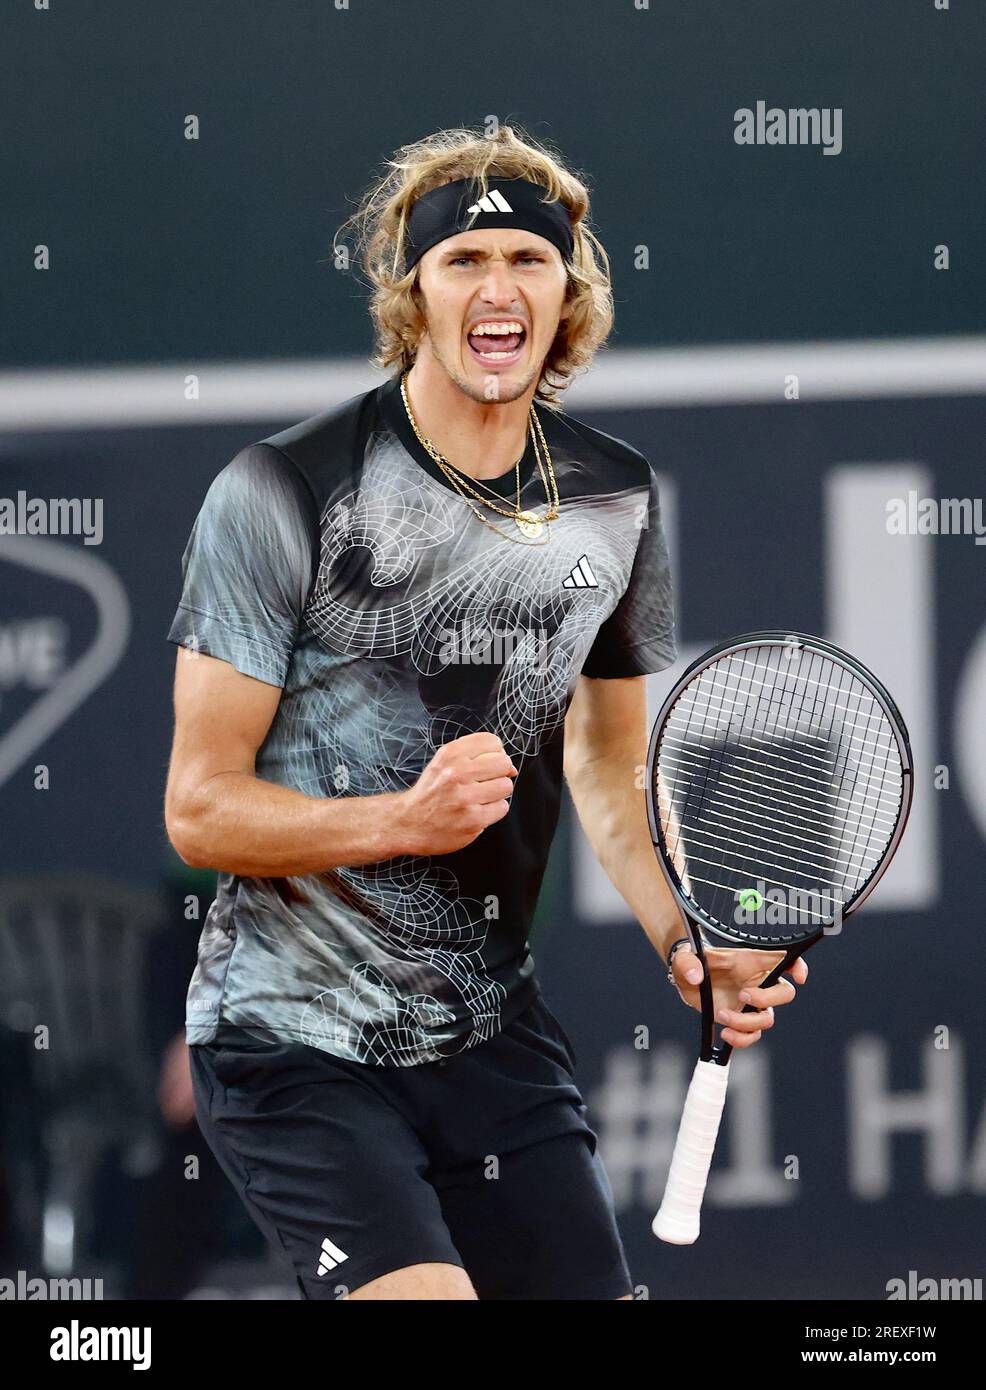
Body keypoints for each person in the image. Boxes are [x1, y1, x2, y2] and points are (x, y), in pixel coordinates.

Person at [164, 123, 807, 1301]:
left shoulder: (614, 499)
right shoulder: (280, 492)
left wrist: (684, 939)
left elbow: (608, 768)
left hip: (487, 1036)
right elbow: (200, 812)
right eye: (462, 261)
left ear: (570, 292)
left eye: (527, 257)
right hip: (291, 1041)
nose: (496, 285)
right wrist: (397, 821)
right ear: (413, 293)